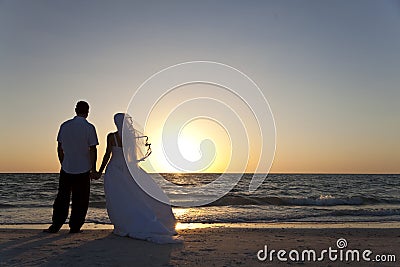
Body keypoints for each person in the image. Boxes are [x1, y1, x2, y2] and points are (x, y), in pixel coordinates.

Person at [97, 113, 181, 243]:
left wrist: (100, 171)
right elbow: (133, 156)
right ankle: (131, 222)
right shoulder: (130, 137)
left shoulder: (111, 136)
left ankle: (122, 224)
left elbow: (107, 154)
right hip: (128, 168)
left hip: (114, 168)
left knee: (117, 197)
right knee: (133, 196)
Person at [44, 101, 99, 234]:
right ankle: (75, 227)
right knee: (80, 199)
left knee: (62, 197)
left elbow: (59, 148)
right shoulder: (89, 127)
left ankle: (56, 224)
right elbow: (93, 149)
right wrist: (93, 168)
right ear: (87, 111)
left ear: (75, 110)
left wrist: (63, 162)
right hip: (83, 168)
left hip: (67, 166)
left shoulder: (65, 125)